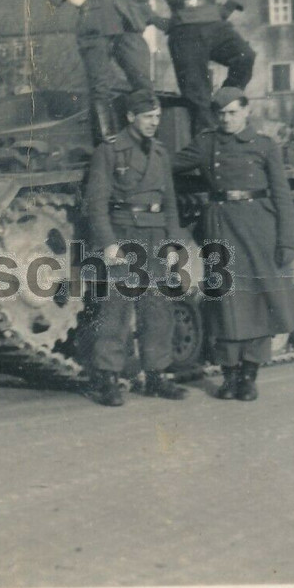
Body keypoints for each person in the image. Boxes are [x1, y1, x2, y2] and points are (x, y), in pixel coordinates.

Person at [172, 87, 294, 401]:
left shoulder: (266, 146)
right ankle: (229, 376)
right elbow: (169, 164)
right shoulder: (207, 143)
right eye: (222, 113)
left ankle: (249, 376)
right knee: (225, 301)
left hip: (259, 226)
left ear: (246, 112)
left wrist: (286, 240)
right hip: (221, 227)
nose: (227, 119)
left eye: (232, 112)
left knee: (258, 300)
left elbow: (282, 195)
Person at [84, 90, 190, 407]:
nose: (153, 123)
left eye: (157, 117)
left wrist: (173, 241)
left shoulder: (159, 152)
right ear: (131, 117)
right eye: (147, 117)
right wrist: (108, 243)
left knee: (157, 310)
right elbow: (96, 203)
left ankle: (155, 375)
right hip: (125, 234)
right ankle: (107, 378)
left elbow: (170, 203)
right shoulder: (111, 150)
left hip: (156, 236)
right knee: (115, 310)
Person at [31, 0, 158, 142]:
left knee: (143, 82)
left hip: (128, 21)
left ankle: (147, 143)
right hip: (94, 21)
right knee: (100, 86)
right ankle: (106, 144)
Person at [149, 0, 256, 133]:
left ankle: (224, 101)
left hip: (213, 25)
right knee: (196, 93)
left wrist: (227, 9)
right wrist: (159, 21)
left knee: (245, 56)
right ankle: (206, 143)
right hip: (183, 30)